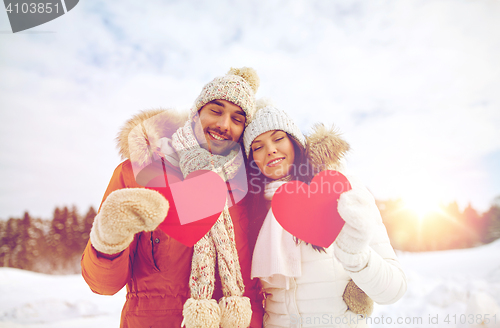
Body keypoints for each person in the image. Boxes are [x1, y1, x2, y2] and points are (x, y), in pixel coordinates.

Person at [81, 67, 264, 328]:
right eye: (216, 110)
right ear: (195, 113)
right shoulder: (140, 174)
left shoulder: (253, 186)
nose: (224, 125)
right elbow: (102, 285)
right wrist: (108, 241)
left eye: (237, 118)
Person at [242, 99, 407, 328]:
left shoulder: (342, 191)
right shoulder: (254, 210)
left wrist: (355, 255)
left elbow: (394, 290)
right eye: (257, 146)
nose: (270, 149)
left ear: (295, 142)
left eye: (278, 138)